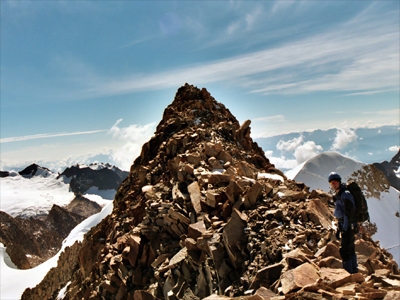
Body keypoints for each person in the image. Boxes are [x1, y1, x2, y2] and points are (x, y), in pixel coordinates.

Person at [328, 172, 358, 274]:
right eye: (331, 183)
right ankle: (354, 271)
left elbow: (348, 213)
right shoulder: (339, 195)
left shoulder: (345, 194)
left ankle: (349, 273)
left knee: (345, 251)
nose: (333, 184)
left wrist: (345, 229)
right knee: (350, 249)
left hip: (348, 226)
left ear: (339, 182)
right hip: (344, 225)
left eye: (335, 182)